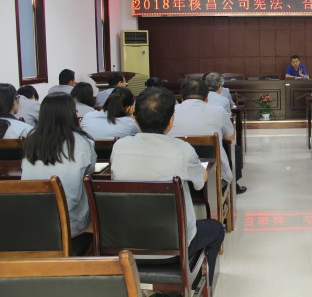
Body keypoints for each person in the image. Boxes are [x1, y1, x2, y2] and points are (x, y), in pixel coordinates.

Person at [110, 87, 224, 287]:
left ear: (135, 118)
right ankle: (198, 282)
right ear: (171, 121)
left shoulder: (119, 147)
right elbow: (200, 181)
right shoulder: (182, 150)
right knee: (216, 229)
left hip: (125, 246)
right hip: (174, 247)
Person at [20, 92, 97, 251]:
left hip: (32, 221)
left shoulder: (31, 140)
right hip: (71, 225)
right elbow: (90, 170)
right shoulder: (82, 142)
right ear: (72, 114)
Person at [167, 76, 246, 194]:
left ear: (182, 98)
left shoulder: (170, 112)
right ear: (206, 98)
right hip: (214, 176)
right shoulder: (218, 111)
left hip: (176, 176)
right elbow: (230, 137)